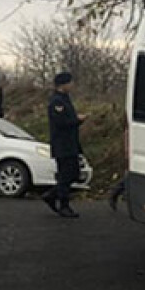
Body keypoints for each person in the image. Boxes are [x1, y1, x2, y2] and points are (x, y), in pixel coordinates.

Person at [41, 71, 86, 218]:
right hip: (62, 145)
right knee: (66, 175)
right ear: (63, 84)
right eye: (70, 82)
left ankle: (52, 195)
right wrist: (78, 120)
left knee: (74, 174)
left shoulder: (65, 99)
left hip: (70, 143)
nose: (72, 85)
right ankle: (64, 205)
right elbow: (61, 123)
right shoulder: (57, 102)